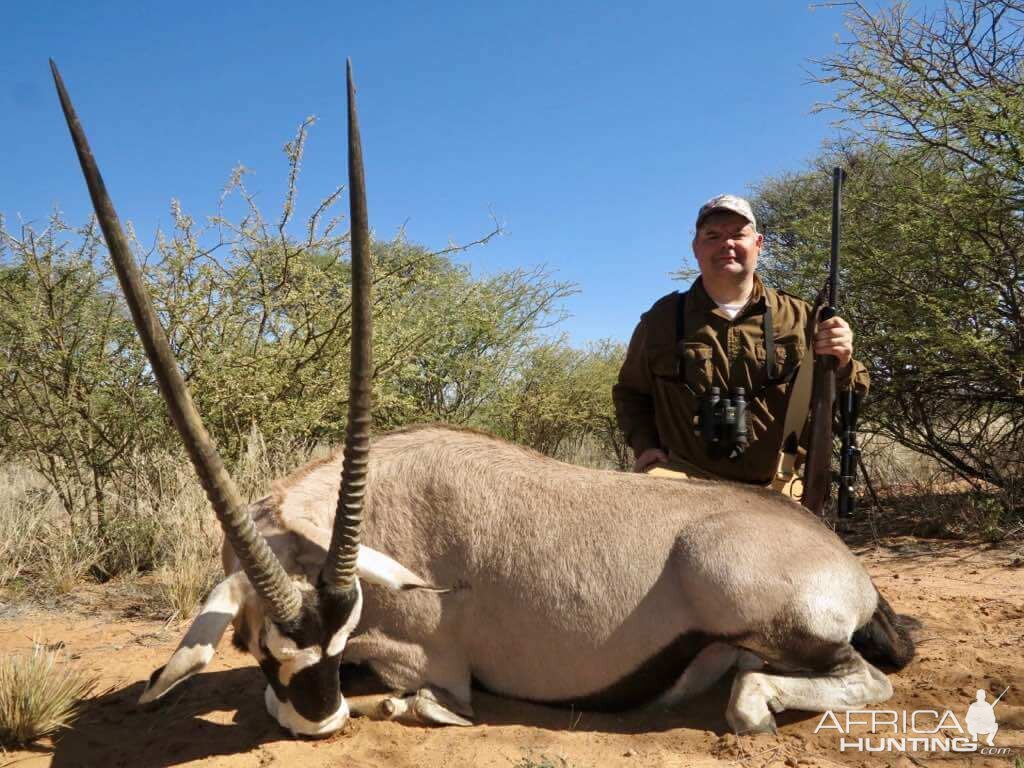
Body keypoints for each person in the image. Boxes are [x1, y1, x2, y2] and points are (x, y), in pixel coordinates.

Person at [612, 194, 869, 492]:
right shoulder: (661, 319)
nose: (727, 244)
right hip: (683, 486)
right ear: (696, 248)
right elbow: (630, 393)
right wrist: (645, 447)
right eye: (712, 235)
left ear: (758, 244)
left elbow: (854, 388)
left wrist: (843, 361)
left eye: (738, 234)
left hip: (776, 488)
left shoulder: (802, 318)